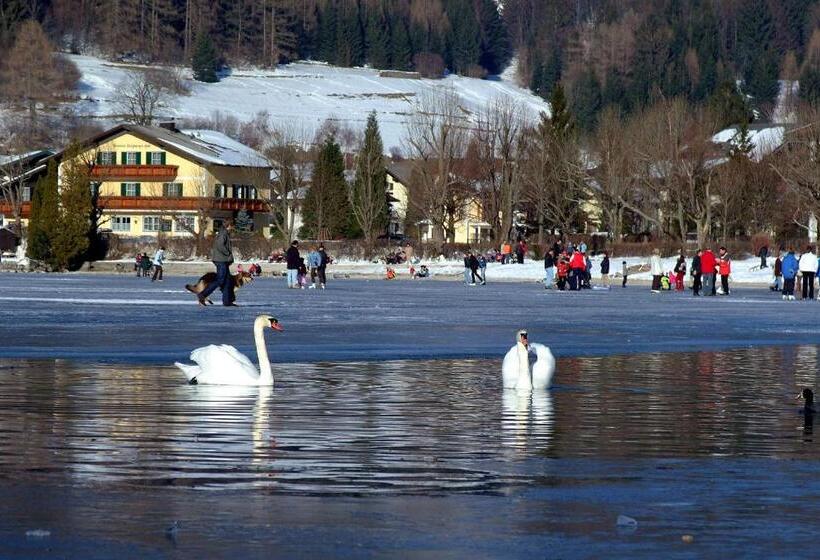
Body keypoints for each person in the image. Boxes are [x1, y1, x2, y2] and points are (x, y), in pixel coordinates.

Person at [198, 219, 236, 306]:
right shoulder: (223, 233)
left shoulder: (224, 233)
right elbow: (220, 245)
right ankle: (203, 294)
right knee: (220, 280)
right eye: (232, 226)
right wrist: (228, 253)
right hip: (221, 260)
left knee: (227, 281)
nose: (233, 228)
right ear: (229, 226)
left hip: (223, 260)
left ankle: (227, 302)